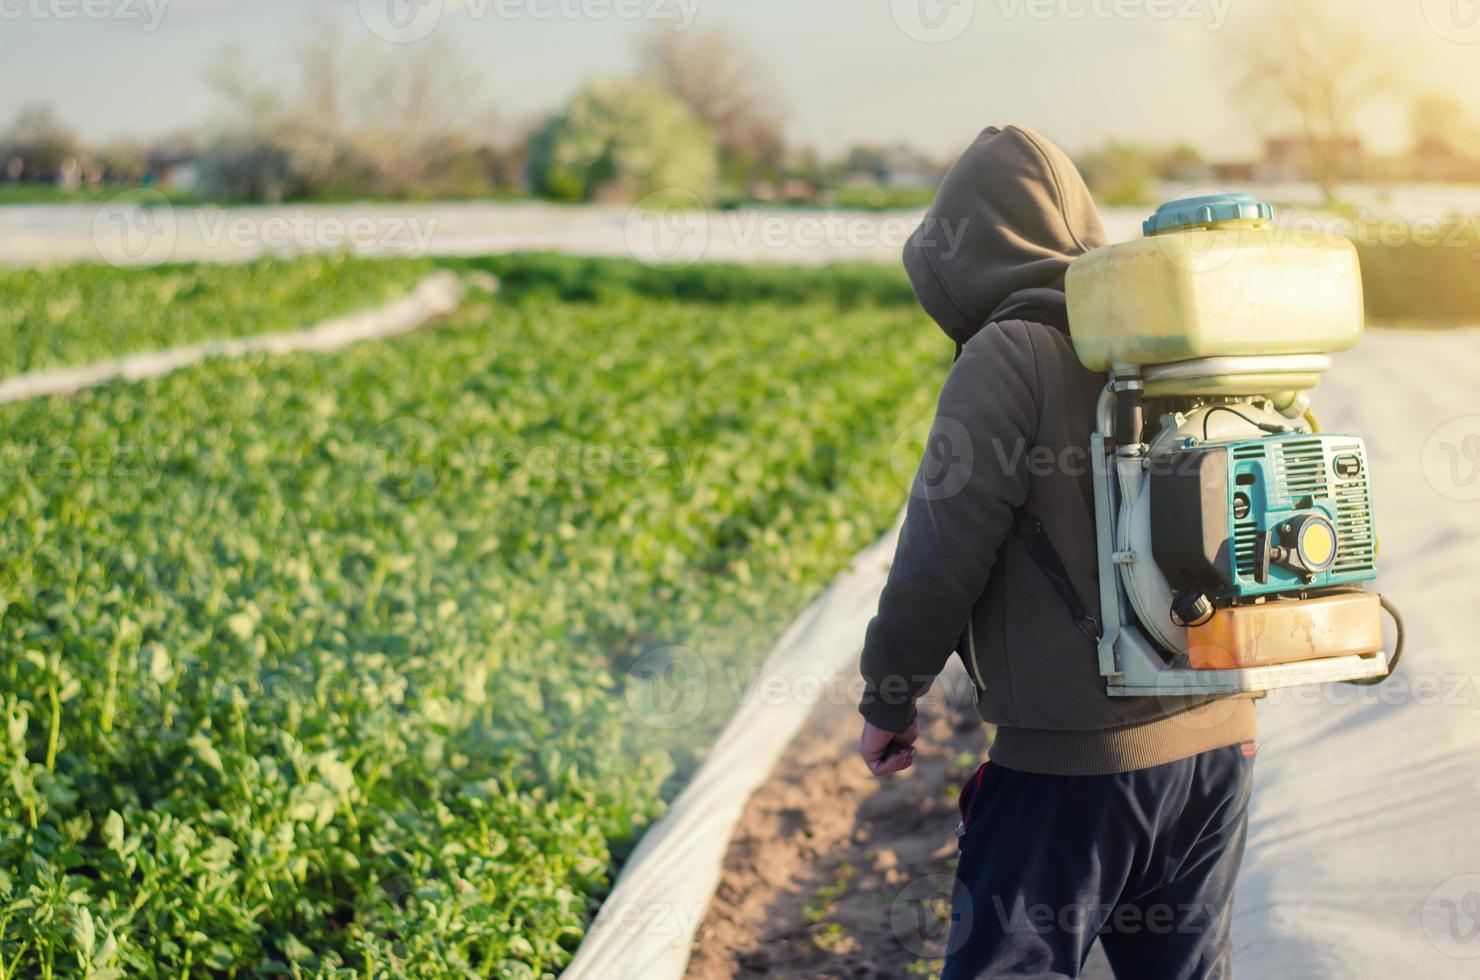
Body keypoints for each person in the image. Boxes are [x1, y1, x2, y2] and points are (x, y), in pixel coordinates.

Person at [855, 125, 1257, 980]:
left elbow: (940, 556)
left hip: (1074, 770)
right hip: (1218, 746)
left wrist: (890, 695)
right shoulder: (1172, 341)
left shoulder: (1013, 352)